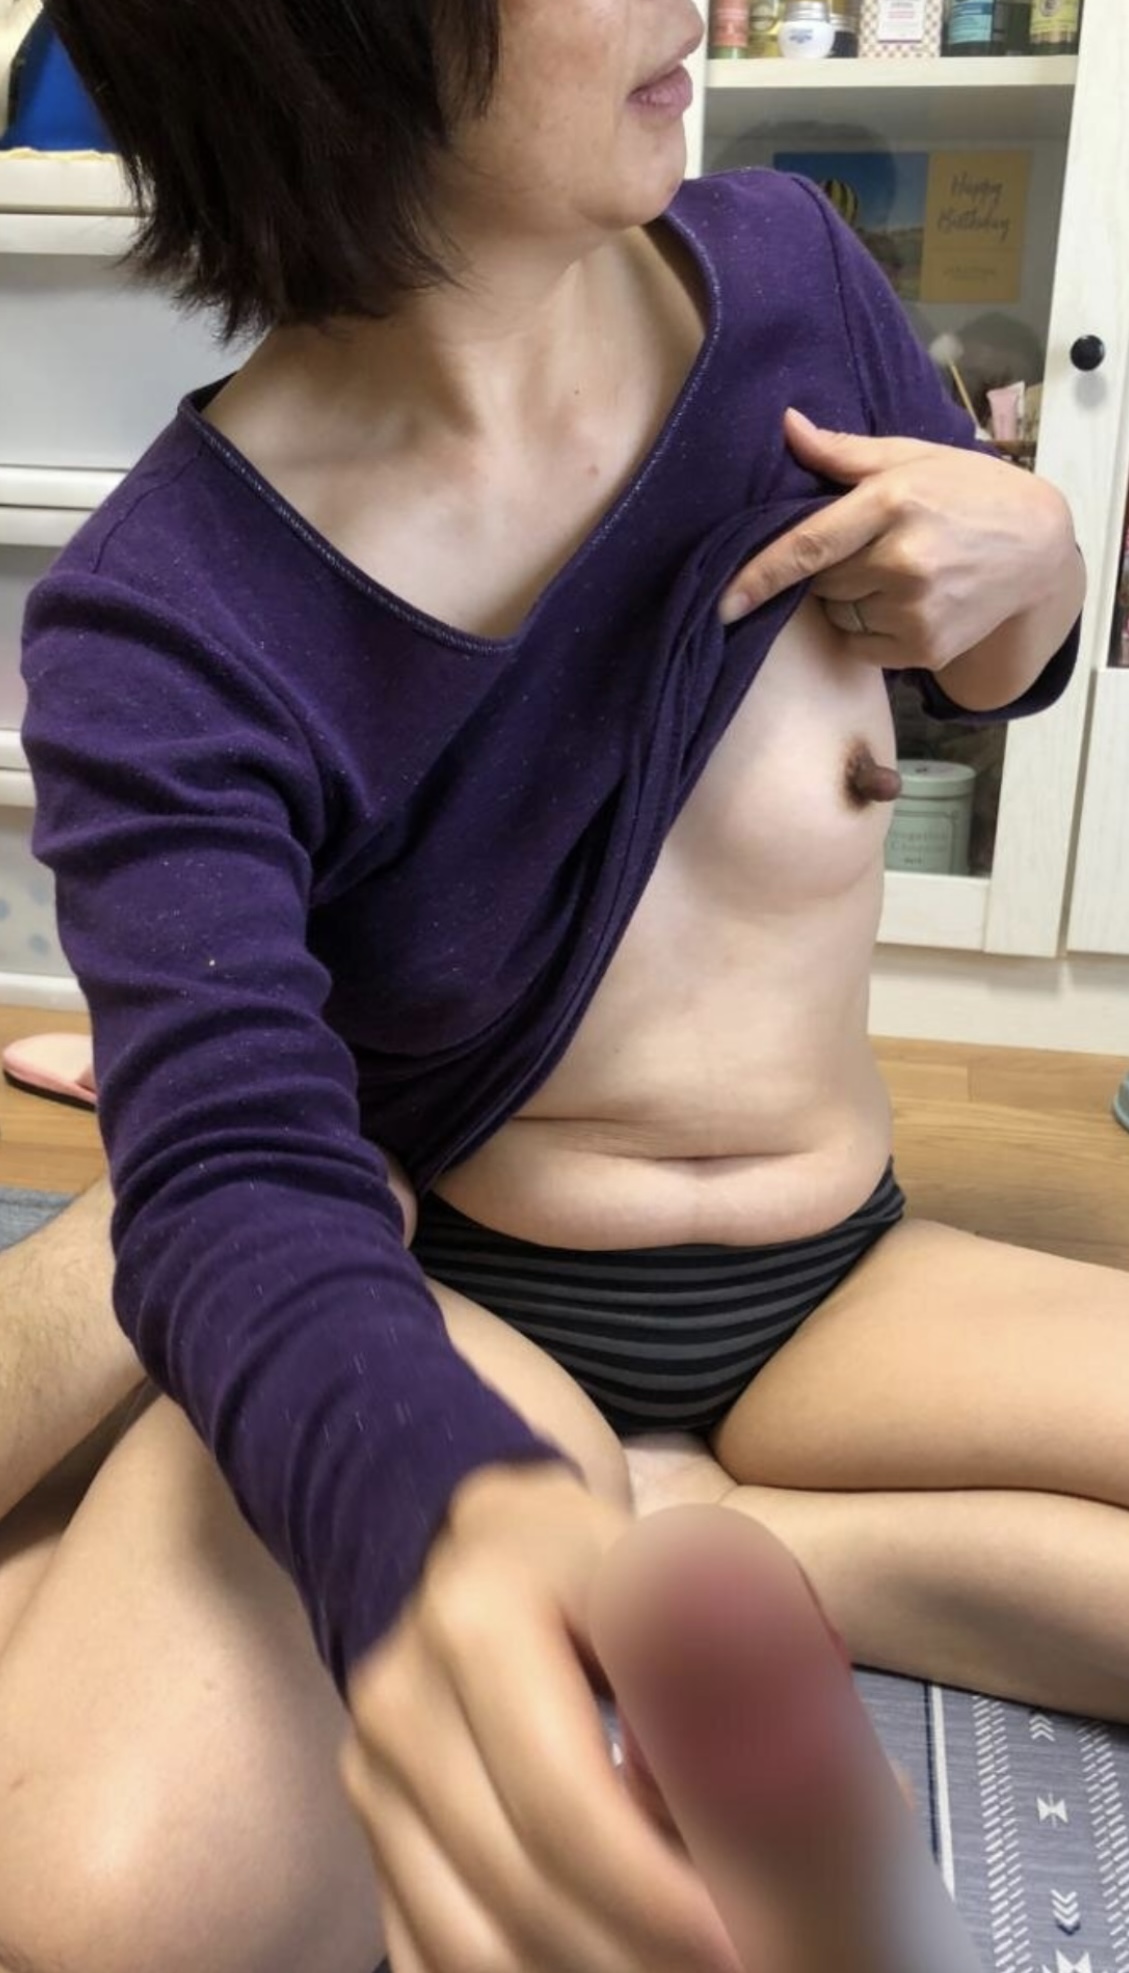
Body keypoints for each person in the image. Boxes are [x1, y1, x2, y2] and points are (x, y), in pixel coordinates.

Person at [0, 0, 1124, 1966]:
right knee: (114, 1913)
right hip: (459, 1292)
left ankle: (738, 1537)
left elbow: (972, 671)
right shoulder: (162, 623)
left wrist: (1034, 568)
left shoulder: (795, 284)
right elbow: (229, 1176)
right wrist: (433, 1516)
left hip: (841, 1281)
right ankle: (595, 1527)